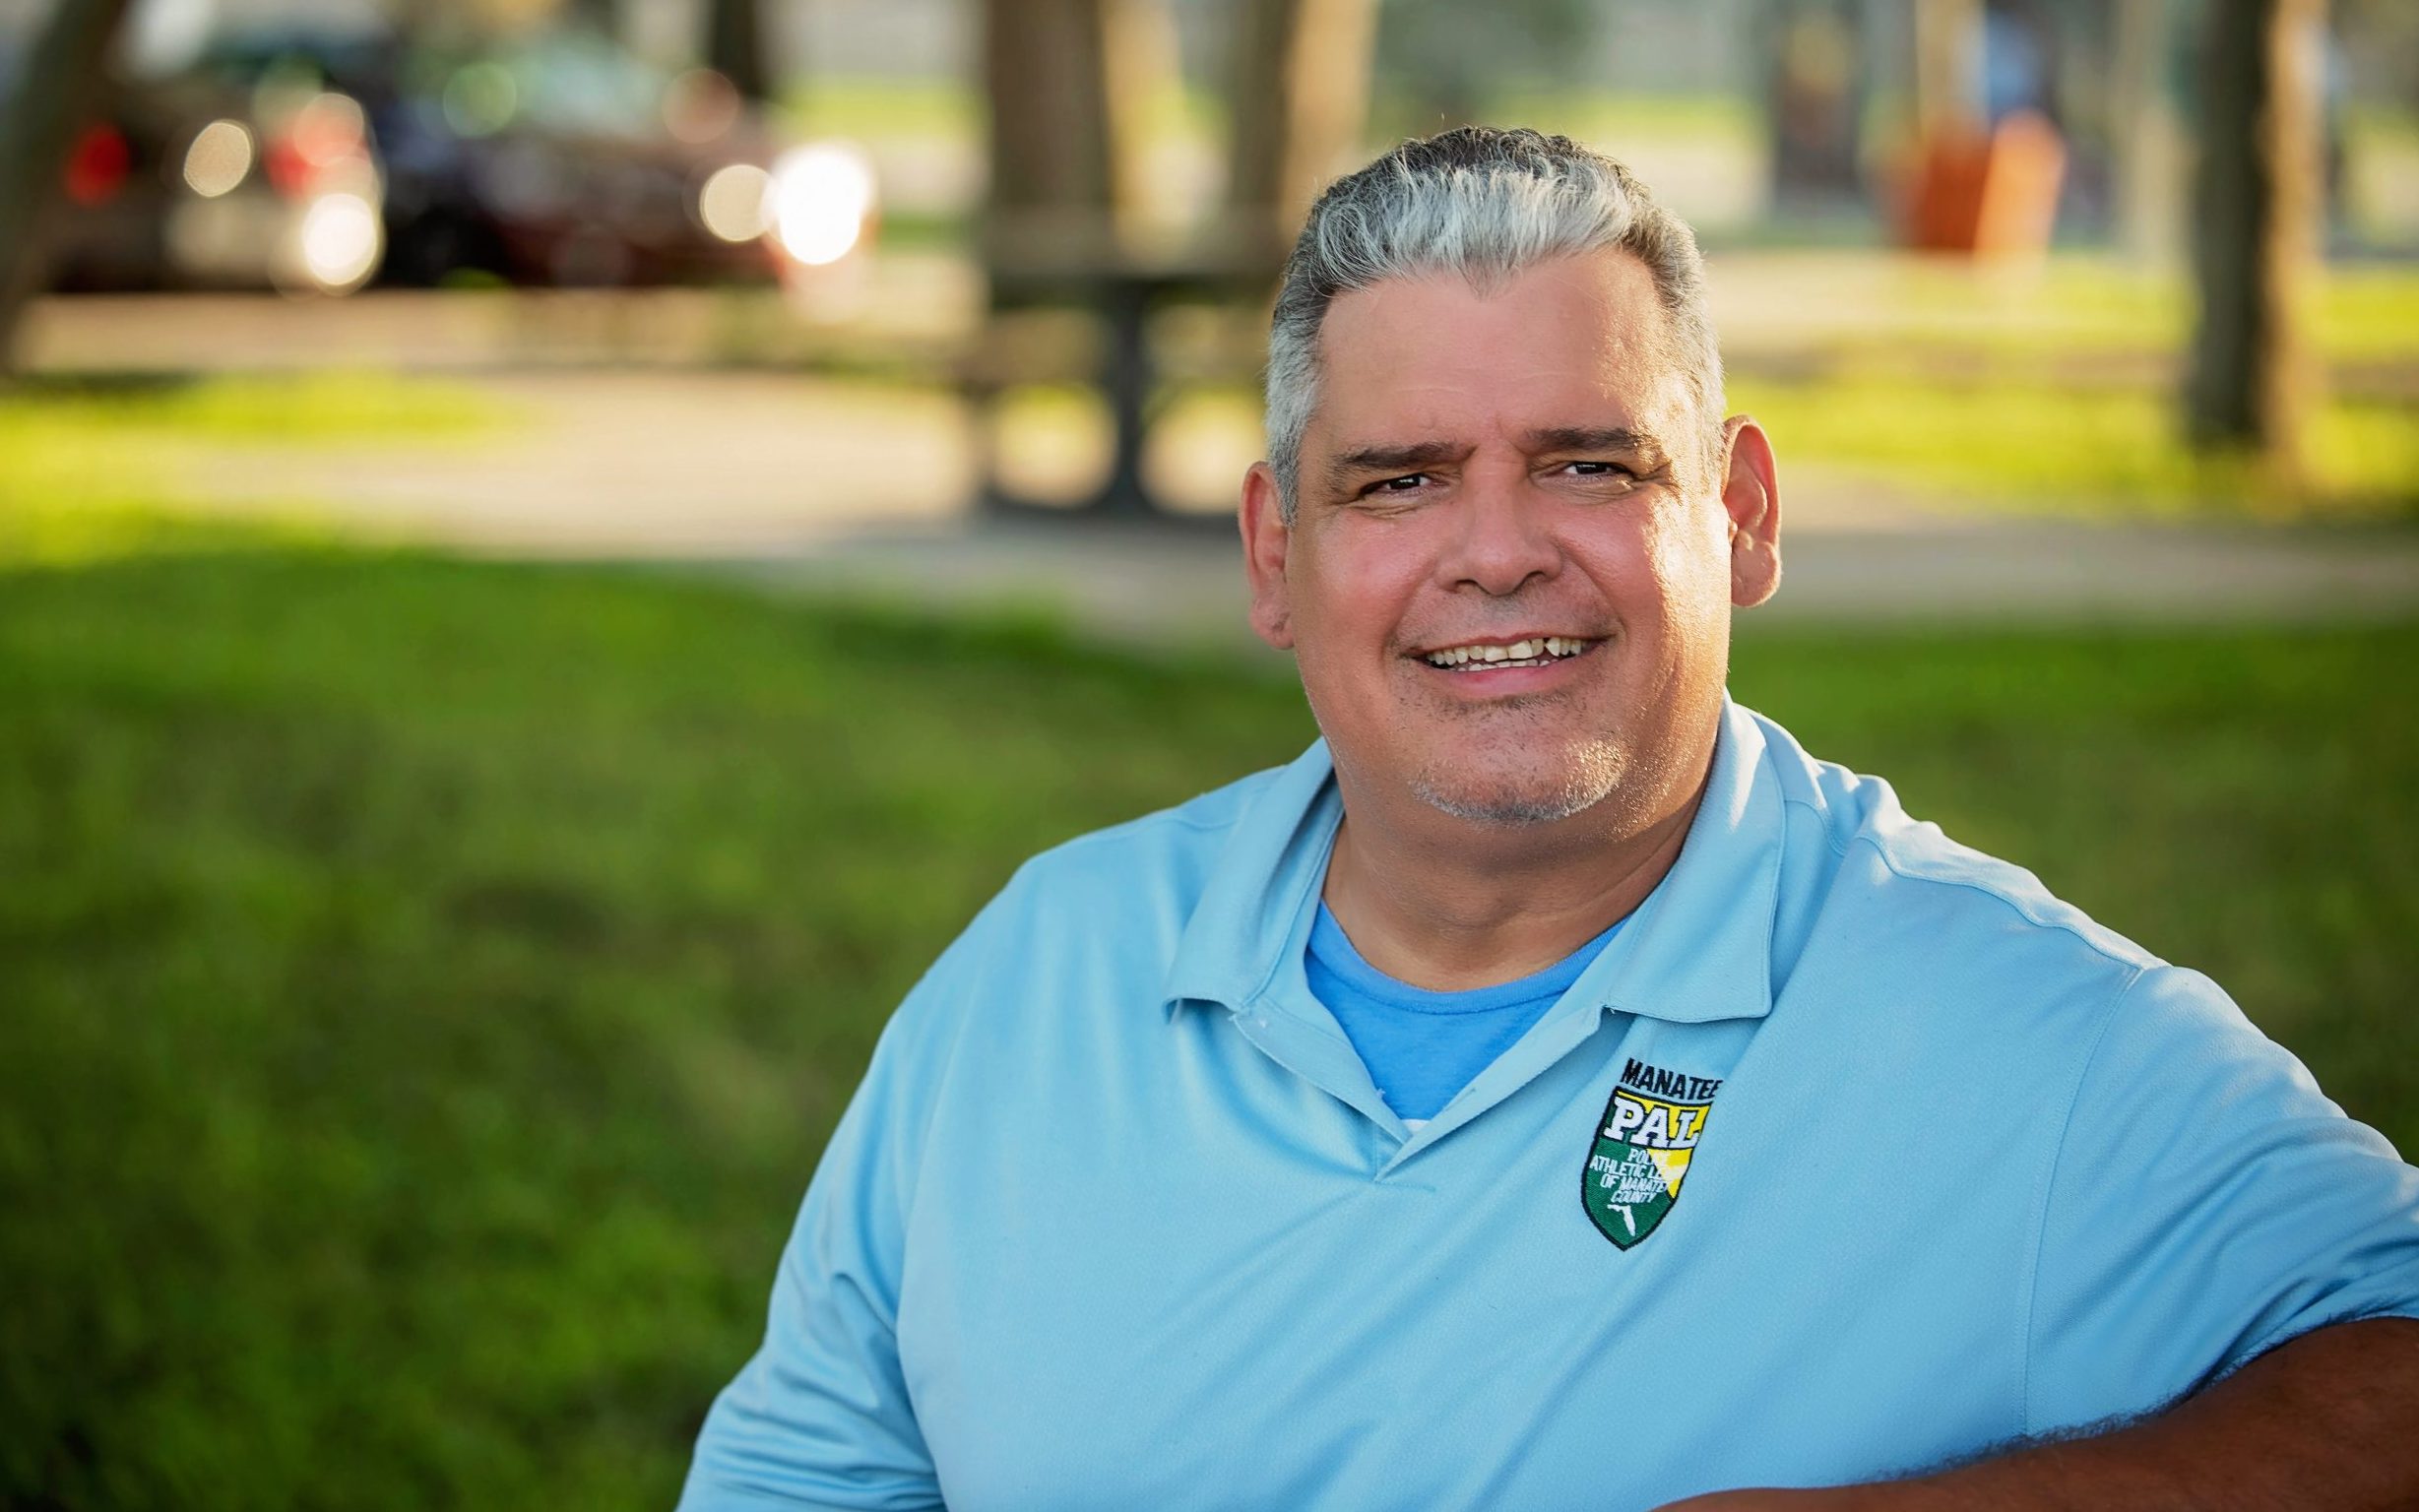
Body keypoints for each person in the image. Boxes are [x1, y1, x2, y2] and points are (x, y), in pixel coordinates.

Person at [679, 128, 2419, 1510]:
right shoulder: (1040, 976)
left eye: (1589, 464)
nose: (1497, 551)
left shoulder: (2026, 1036)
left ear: (1739, 513)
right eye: (1400, 481)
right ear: (1275, 557)